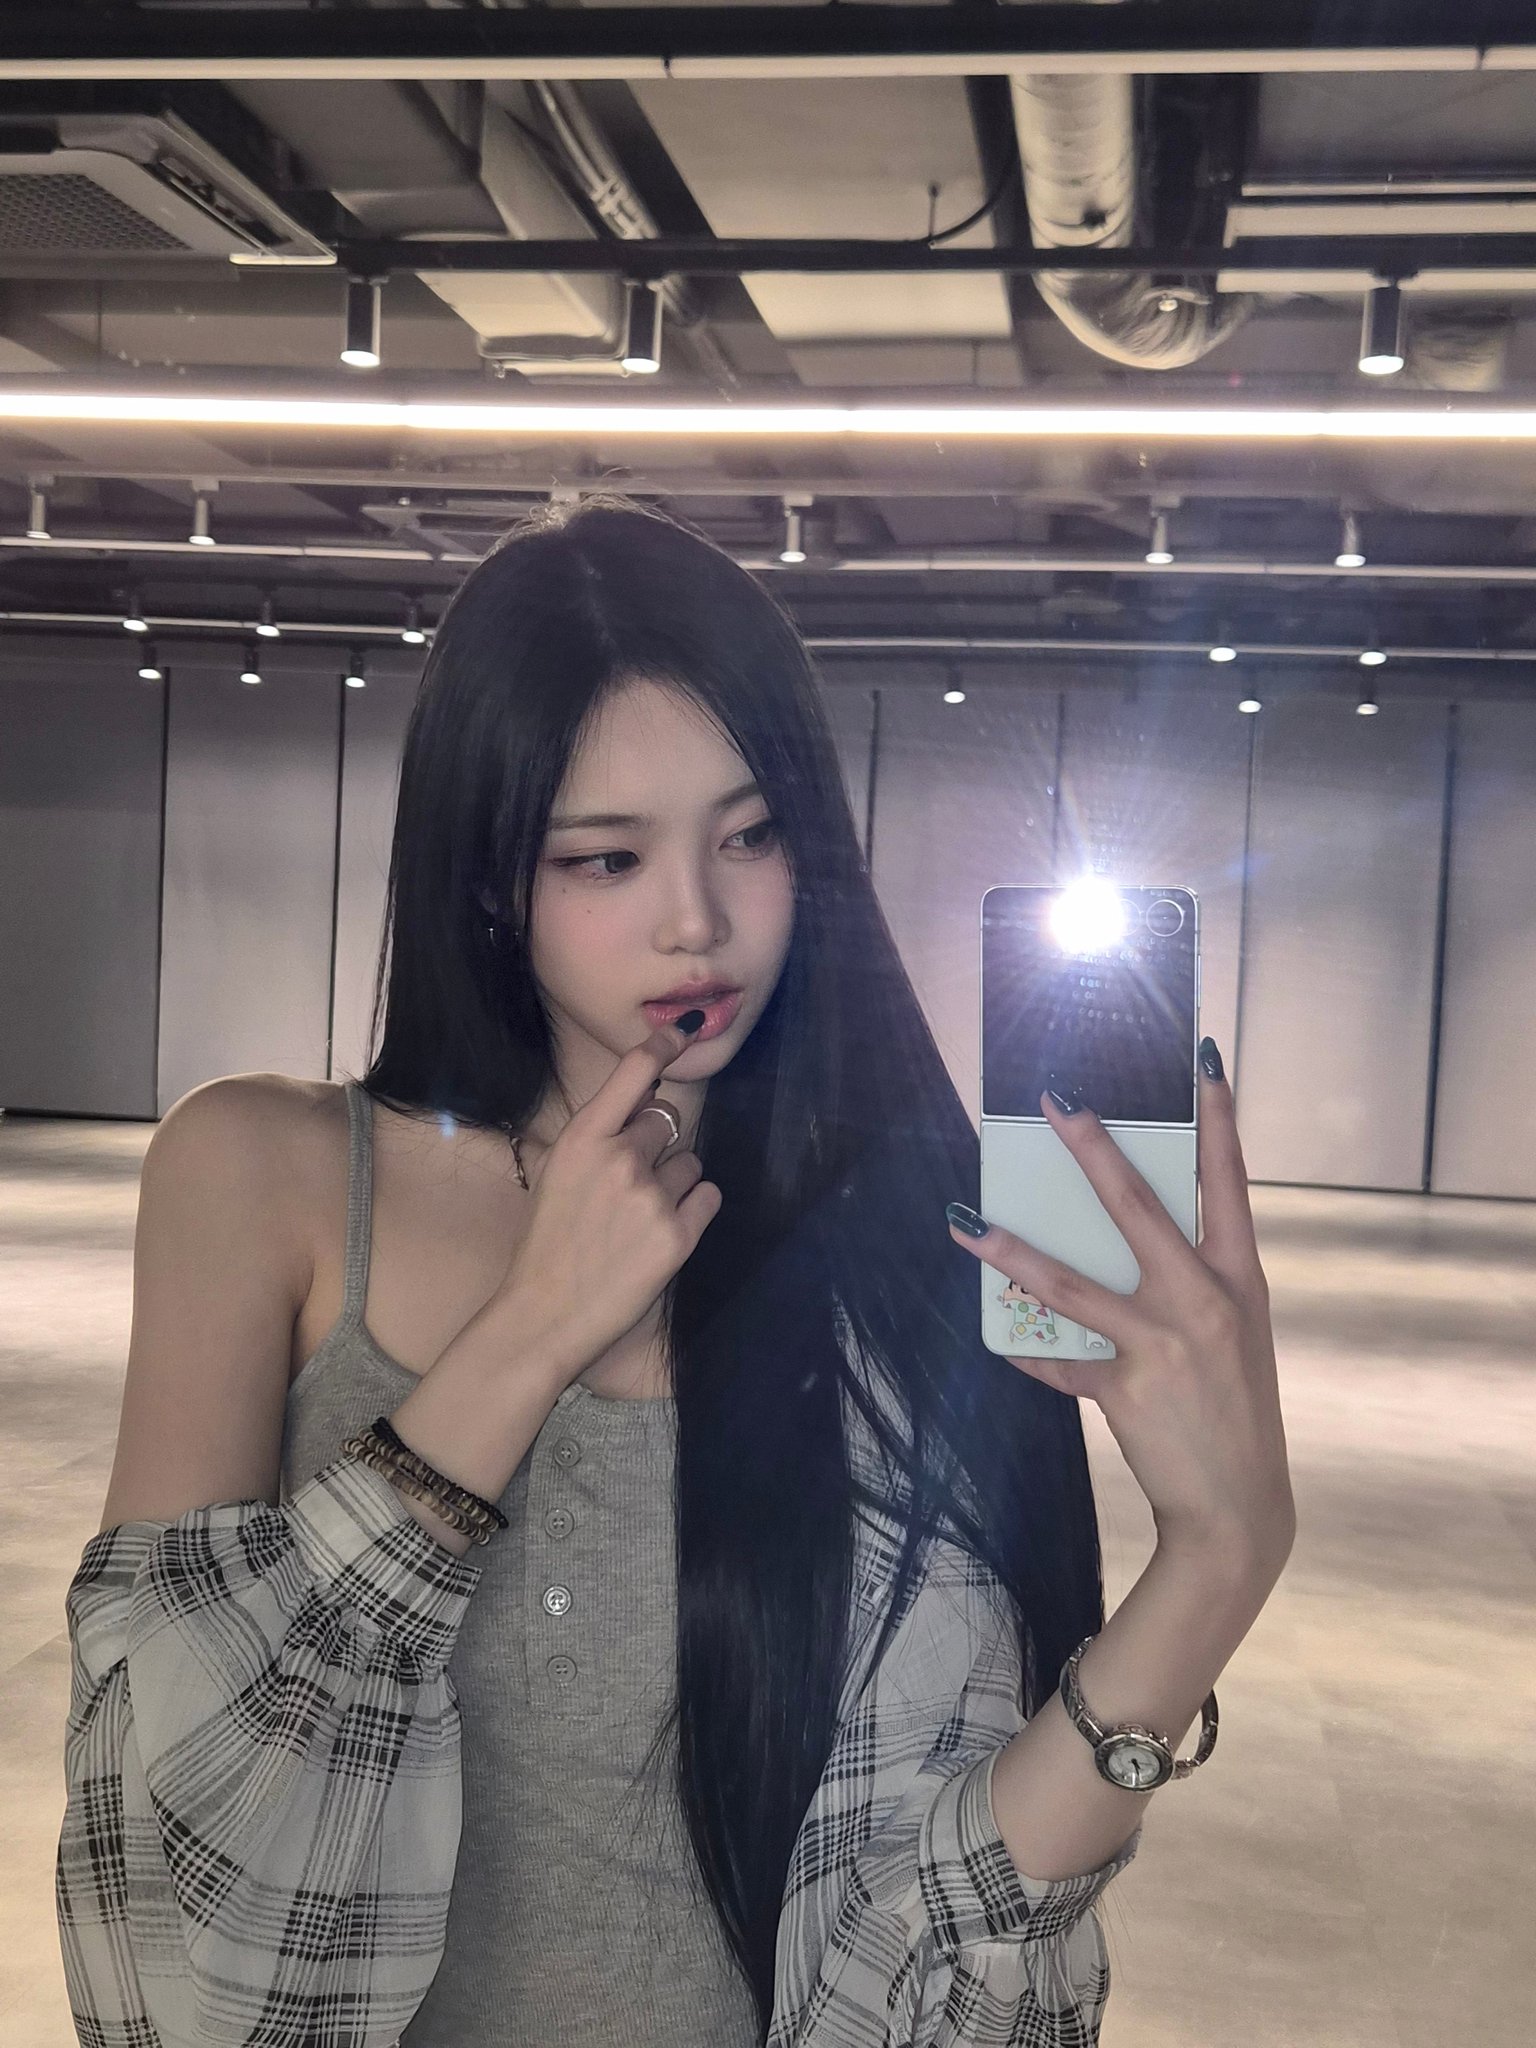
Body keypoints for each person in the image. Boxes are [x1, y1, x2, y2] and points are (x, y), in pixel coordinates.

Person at [56, 496, 1295, 2048]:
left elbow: (942, 1926)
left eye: (751, 836)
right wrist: (531, 1333)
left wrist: (1219, 1561)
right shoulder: (262, 1176)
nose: (698, 921)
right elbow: (158, 1895)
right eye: (607, 857)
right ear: (491, 878)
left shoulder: (913, 1248)